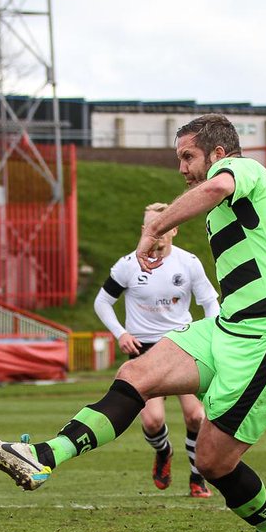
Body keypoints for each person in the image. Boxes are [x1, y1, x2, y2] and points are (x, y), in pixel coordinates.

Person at [0, 114, 266, 532]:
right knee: (135, 375)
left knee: (212, 461)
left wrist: (155, 227)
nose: (182, 168)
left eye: (189, 156)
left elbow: (215, 189)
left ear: (219, 155)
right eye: (179, 158)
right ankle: (44, 456)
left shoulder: (246, 171)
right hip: (229, 328)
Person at [95, 202, 221, 498]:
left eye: (165, 226)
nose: (159, 233)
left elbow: (210, 302)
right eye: (154, 227)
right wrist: (120, 333)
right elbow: (102, 302)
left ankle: (196, 477)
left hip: (184, 346)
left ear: (174, 229)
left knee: (196, 417)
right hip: (144, 350)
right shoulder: (127, 265)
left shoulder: (188, 263)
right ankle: (163, 452)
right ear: (145, 231)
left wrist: (212, 334)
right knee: (152, 421)